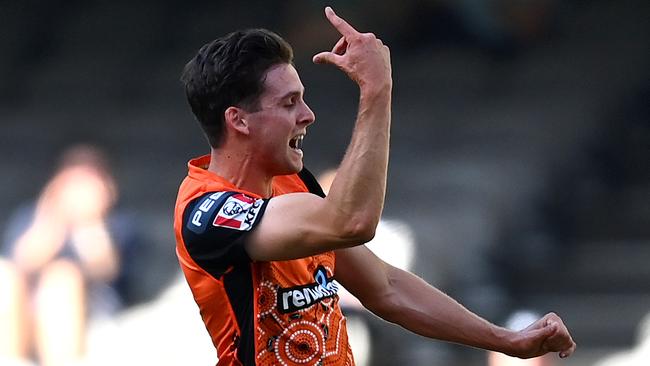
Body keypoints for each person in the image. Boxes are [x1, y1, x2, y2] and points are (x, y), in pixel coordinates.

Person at [174, 7, 576, 365]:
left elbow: (385, 287)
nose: (307, 115)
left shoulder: (291, 184)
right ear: (238, 120)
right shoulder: (206, 212)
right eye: (288, 103)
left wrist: (506, 340)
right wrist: (376, 90)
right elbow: (351, 222)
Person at [0, 145, 137, 366]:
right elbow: (21, 262)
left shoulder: (120, 224)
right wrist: (52, 216)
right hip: (29, 305)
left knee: (62, 278)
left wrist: (90, 221)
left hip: (92, 305)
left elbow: (106, 269)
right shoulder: (31, 216)